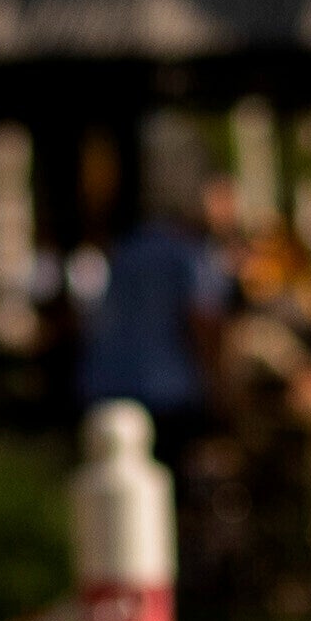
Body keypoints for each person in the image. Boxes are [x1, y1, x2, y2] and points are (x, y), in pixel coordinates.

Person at [81, 172, 237, 452]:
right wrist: (220, 390)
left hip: (106, 387)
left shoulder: (128, 247)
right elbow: (204, 323)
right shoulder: (191, 256)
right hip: (168, 394)